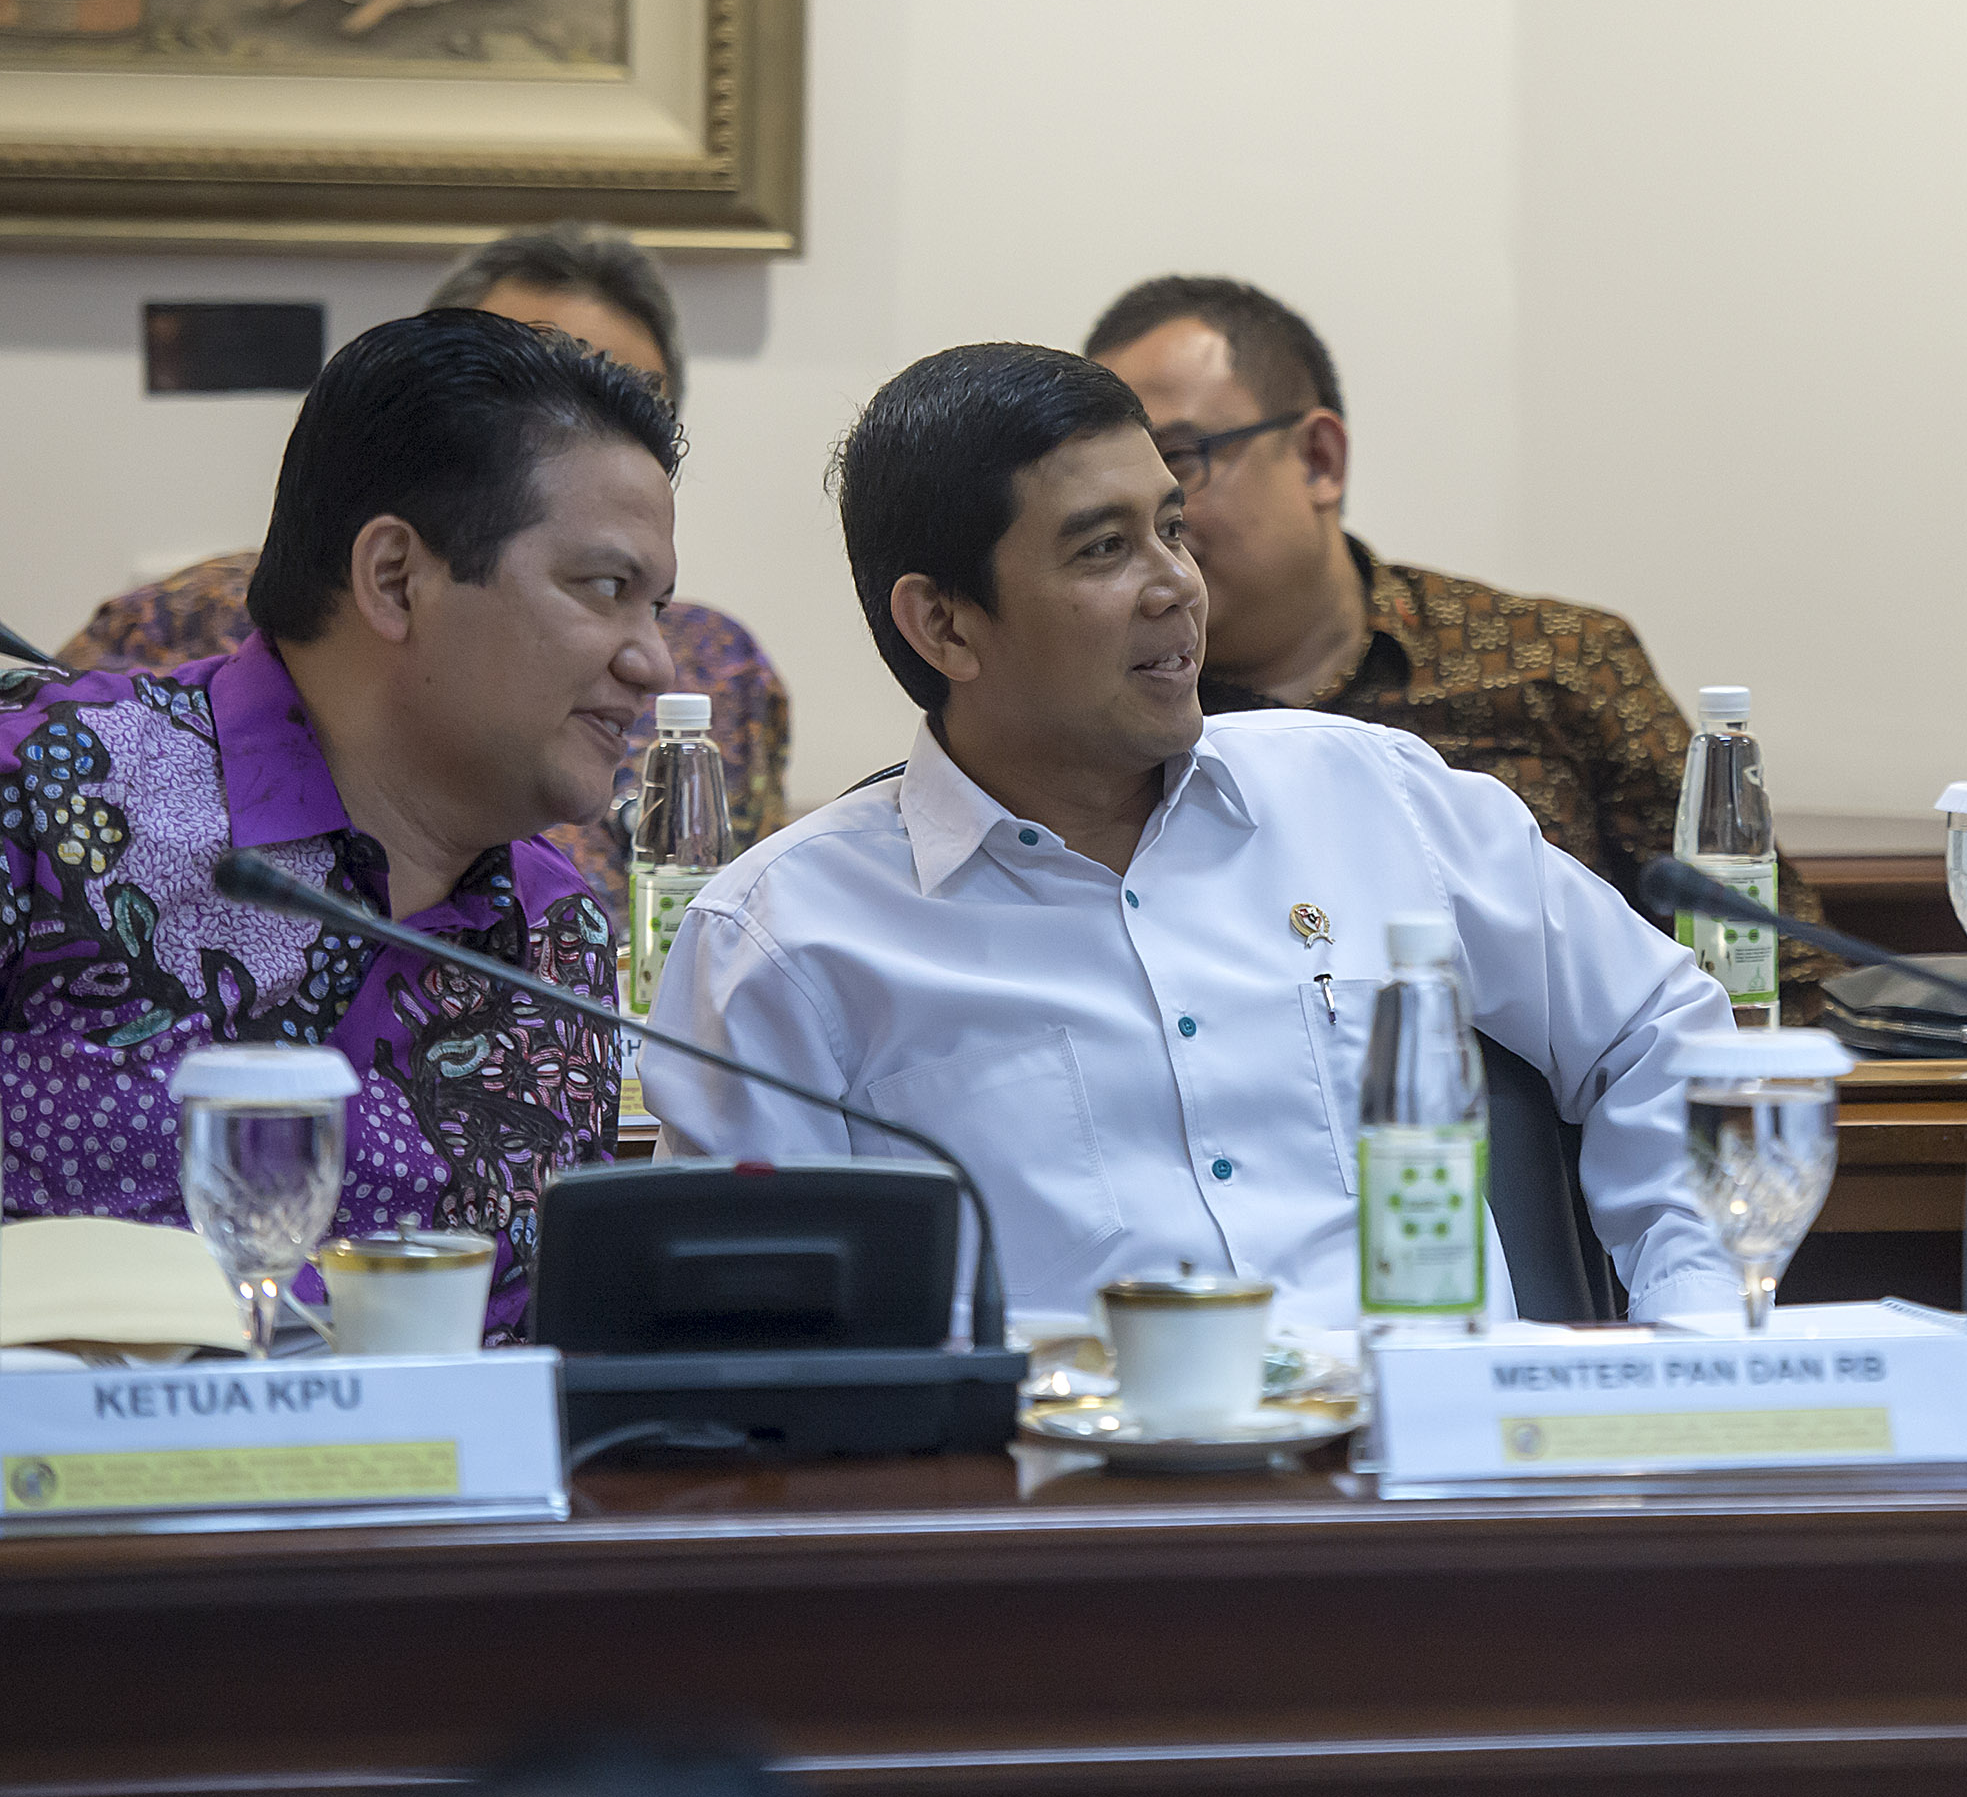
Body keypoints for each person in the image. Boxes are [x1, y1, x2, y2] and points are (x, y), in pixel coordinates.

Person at [640, 343, 1739, 1329]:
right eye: (1104, 548)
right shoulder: (784, 941)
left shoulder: (1368, 795)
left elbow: (1663, 1025)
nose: (1177, 583)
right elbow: (773, 1343)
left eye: (1172, 526)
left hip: (1430, 1454)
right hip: (1062, 1481)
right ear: (945, 622)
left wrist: (1692, 1323)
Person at [1, 310, 680, 1337]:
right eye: (606, 588)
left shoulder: (558, 940)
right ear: (396, 578)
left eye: (657, 607)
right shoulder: (49, 795)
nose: (653, 661)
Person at [1083, 275, 1842, 1017]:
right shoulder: (1112, 714)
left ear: (1319, 459)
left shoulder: (1557, 660)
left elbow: (1778, 966)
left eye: (1177, 461)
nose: (1152, 521)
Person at [58, 221, 790, 923]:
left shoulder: (560, 929)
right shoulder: (83, 765)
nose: (653, 666)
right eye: (523, 375)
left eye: (611, 391)